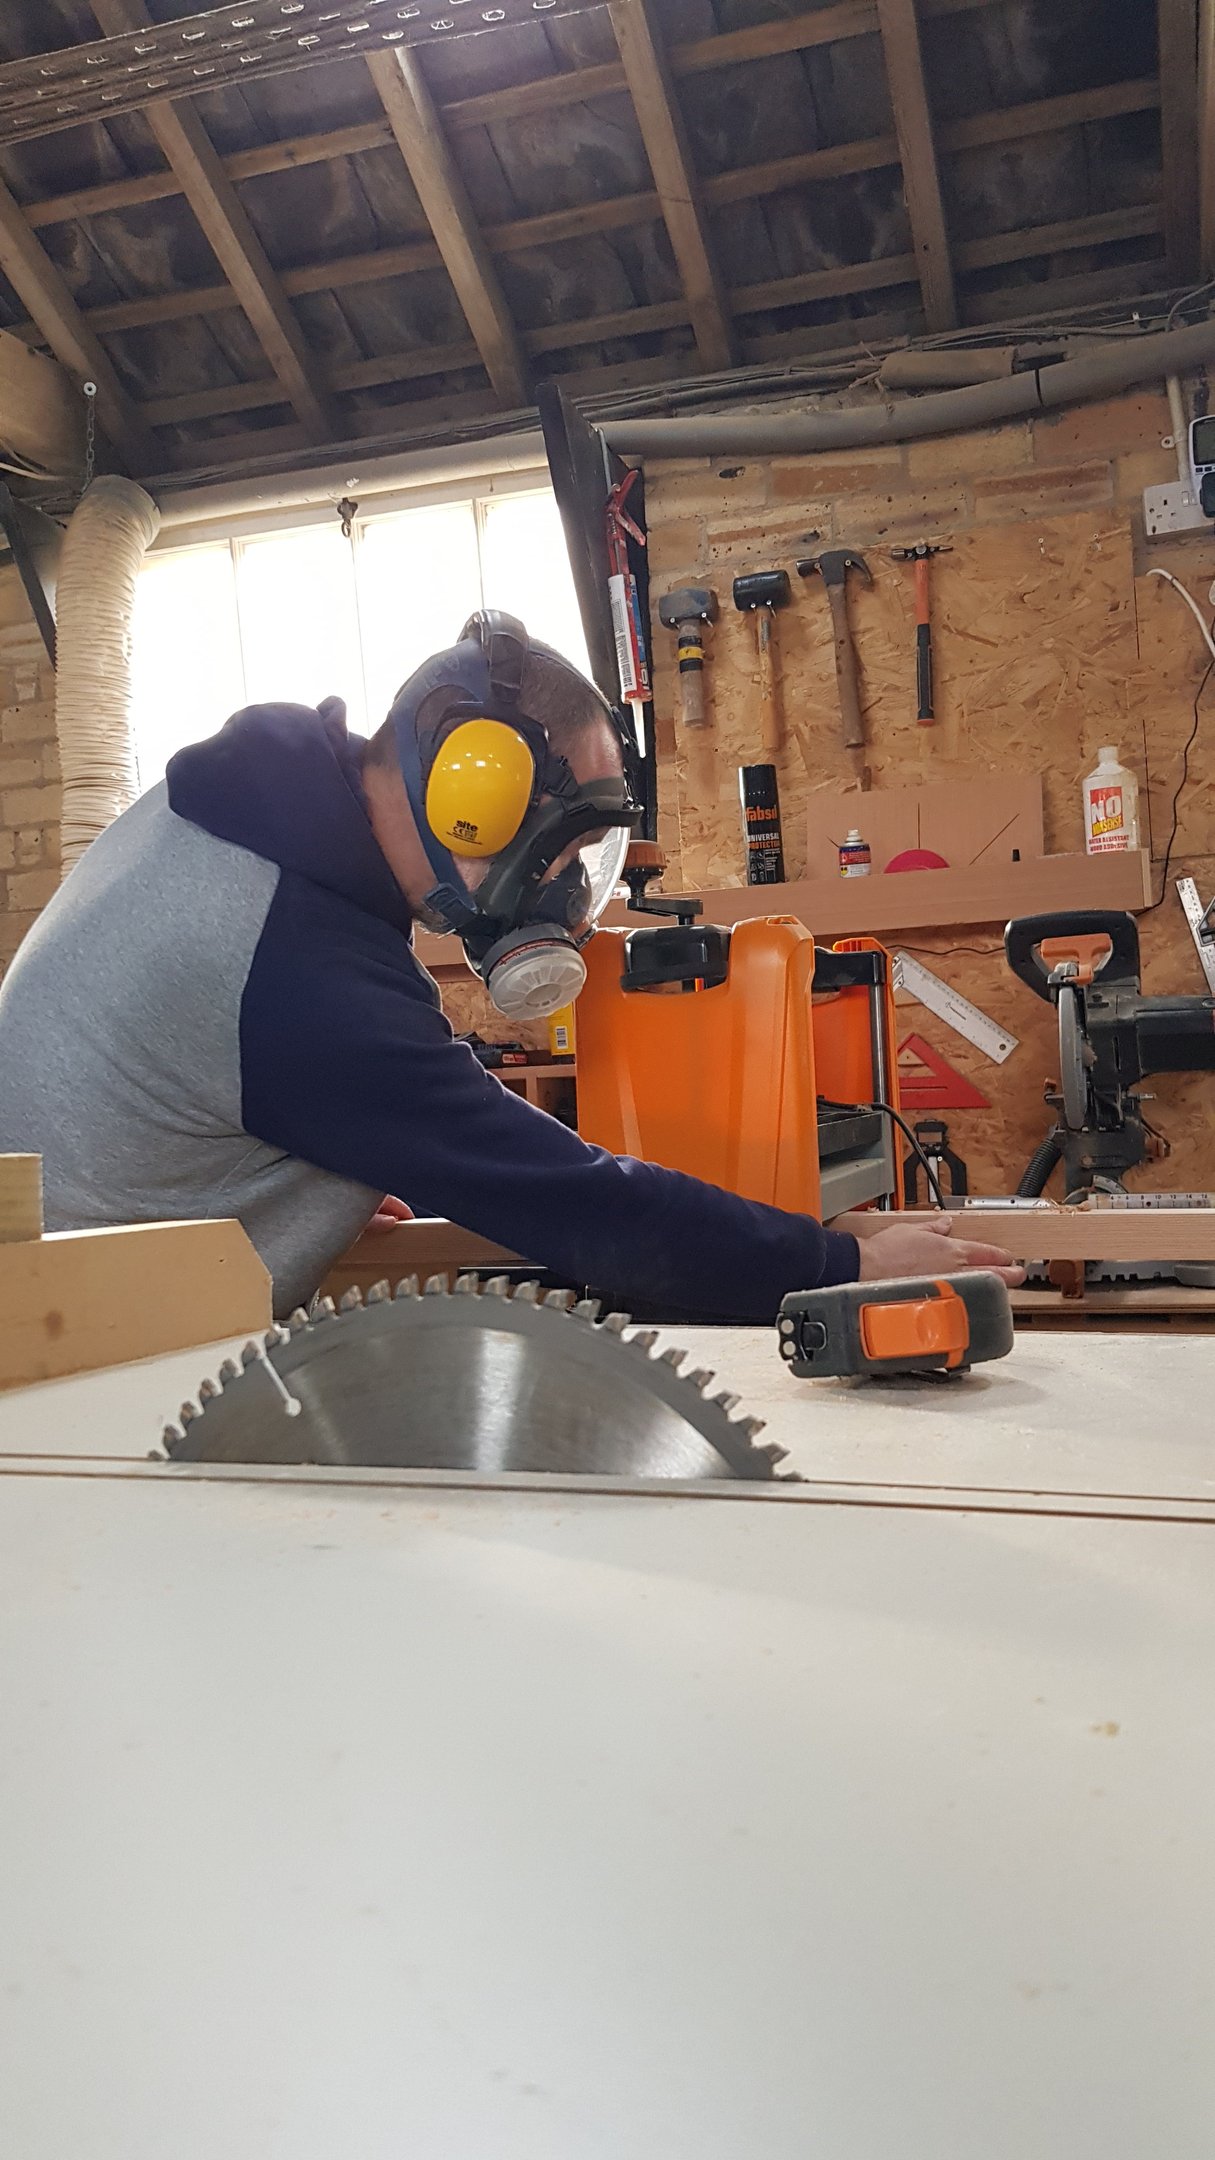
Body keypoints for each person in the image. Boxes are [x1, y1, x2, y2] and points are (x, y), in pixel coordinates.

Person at [0, 611, 1020, 1320]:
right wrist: (834, 1260)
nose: (562, 889)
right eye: (564, 850)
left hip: (70, 1286)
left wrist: (310, 1163)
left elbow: (178, 1084)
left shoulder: (250, 812)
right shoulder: (295, 962)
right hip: (86, 1363)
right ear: (469, 793)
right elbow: (576, 1203)